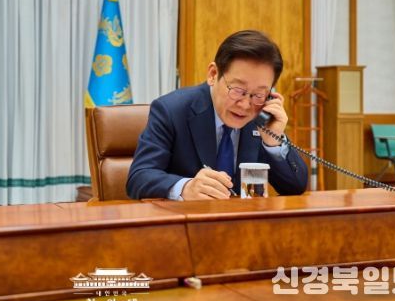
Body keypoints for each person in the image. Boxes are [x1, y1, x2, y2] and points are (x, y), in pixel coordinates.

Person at [126, 30, 308, 200]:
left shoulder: (261, 118)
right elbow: (139, 177)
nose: (245, 105)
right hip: (188, 220)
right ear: (213, 74)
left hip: (245, 221)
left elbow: (295, 187)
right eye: (238, 90)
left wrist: (273, 142)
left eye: (259, 94)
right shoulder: (171, 110)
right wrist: (185, 187)